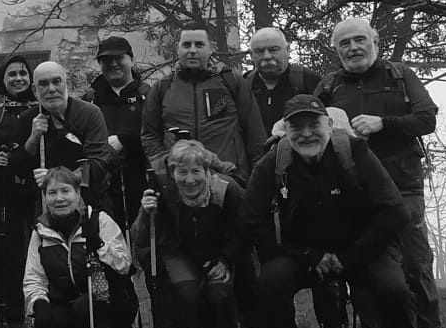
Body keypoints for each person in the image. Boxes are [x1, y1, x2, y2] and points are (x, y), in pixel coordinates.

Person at [240, 95, 432, 328]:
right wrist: (308, 255)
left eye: (313, 124)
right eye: (296, 127)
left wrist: (350, 257)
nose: (306, 134)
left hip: (362, 251)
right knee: (271, 282)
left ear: (329, 125)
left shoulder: (356, 153)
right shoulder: (273, 162)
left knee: (394, 288)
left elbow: (396, 211)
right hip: (303, 255)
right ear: (285, 131)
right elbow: (250, 220)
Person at [318, 18, 443, 328]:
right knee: (360, 264)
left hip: (403, 184)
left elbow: (427, 119)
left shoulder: (400, 75)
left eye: (359, 40)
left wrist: (383, 123)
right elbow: (308, 121)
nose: (353, 48)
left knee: (416, 264)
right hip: (354, 189)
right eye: (344, 43)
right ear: (336, 50)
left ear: (374, 41)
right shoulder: (329, 85)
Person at [133, 140, 248, 328]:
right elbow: (141, 239)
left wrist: (225, 260)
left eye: (196, 171)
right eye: (181, 172)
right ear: (172, 173)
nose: (189, 180)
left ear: (207, 171)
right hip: (177, 253)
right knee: (185, 292)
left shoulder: (228, 190)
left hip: (217, 254)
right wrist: (145, 213)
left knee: (220, 292)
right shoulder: (160, 191)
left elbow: (243, 231)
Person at [24, 167, 138, 328]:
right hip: (66, 300)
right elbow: (33, 277)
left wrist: (100, 245)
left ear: (77, 194)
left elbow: (124, 265)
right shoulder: (40, 231)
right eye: (52, 193)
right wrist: (38, 302)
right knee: (44, 322)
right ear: (45, 197)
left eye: (65, 191)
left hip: (109, 299)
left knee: (84, 307)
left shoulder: (99, 221)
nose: (59, 198)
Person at [141, 23, 267, 187]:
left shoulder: (232, 82)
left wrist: (259, 182)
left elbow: (254, 134)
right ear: (178, 48)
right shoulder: (162, 87)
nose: (192, 50)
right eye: (187, 45)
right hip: (182, 184)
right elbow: (149, 136)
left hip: (229, 181)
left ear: (211, 48)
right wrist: (165, 169)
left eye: (199, 44)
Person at [0, 54, 43, 328]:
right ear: (2, 79)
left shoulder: (41, 106)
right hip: (5, 190)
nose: (18, 78)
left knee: (43, 249)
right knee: (9, 253)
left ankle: (42, 310)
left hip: (39, 189)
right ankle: (11, 314)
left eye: (23, 73)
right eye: (12, 74)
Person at [24, 61, 116, 208]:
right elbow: (21, 168)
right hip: (47, 206)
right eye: (43, 84)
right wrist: (33, 139)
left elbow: (99, 164)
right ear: (35, 90)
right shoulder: (28, 119)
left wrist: (58, 180)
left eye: (56, 82)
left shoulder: (90, 114)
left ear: (67, 84)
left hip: (90, 202)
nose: (51, 89)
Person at [83, 36, 149, 225]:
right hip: (103, 189)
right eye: (106, 60)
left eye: (119, 58)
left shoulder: (148, 96)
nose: (113, 64)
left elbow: (156, 135)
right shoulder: (89, 100)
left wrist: (126, 141)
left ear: (131, 60)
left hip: (142, 182)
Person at [244, 27, 323, 130]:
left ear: (287, 50)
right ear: (251, 55)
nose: (267, 56)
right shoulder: (244, 85)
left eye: (273, 50)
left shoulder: (308, 80)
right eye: (259, 51)